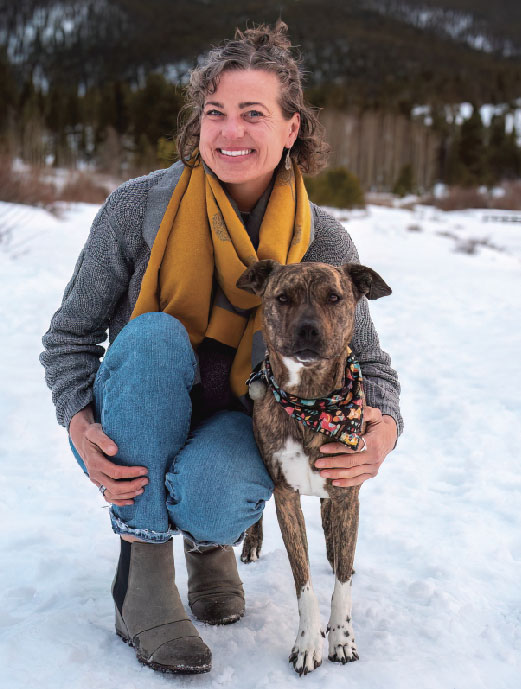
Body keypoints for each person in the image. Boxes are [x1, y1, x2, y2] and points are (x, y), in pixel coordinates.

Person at [40, 21, 402, 675]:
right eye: (216, 112)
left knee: (222, 480)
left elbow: (367, 360)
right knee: (151, 335)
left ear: (290, 128)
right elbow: (69, 337)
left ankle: (210, 543)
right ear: (198, 120)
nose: (229, 131)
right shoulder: (136, 208)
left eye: (252, 114)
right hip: (137, 411)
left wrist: (384, 425)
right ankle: (144, 573)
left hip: (239, 419)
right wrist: (77, 416)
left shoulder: (320, 236)